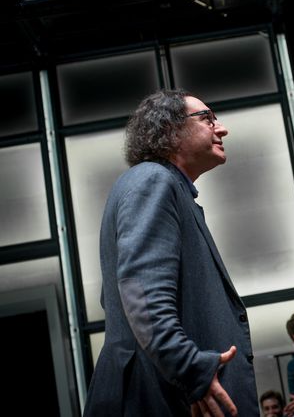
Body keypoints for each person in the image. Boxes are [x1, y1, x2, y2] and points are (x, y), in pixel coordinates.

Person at [83, 89, 258, 416]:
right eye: (207, 119)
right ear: (170, 130)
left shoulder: (160, 185)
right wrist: (189, 367)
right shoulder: (152, 181)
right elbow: (140, 291)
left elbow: (116, 295)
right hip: (159, 399)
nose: (222, 129)